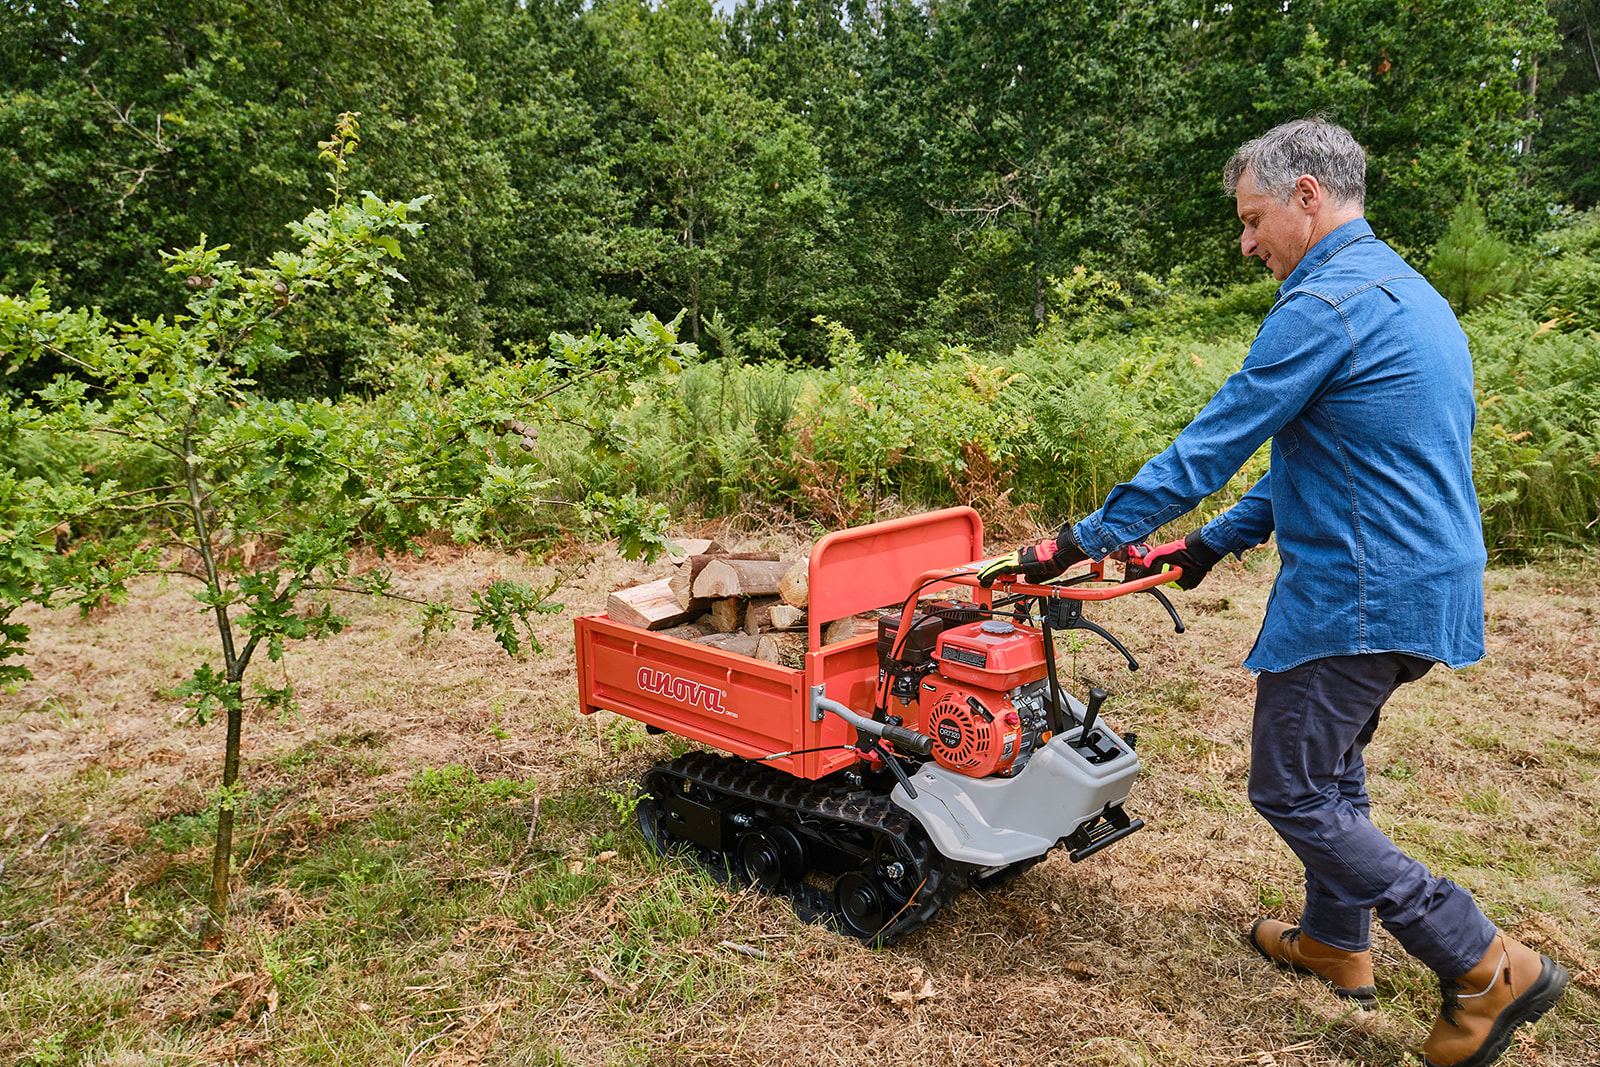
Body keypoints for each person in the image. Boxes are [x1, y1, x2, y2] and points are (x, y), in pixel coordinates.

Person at [978, 117, 1568, 1067]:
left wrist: (1078, 542)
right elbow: (1329, 458)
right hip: (1425, 576)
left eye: (1253, 219)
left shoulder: (1324, 304)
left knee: (1291, 785)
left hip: (1364, 588)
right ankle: (1337, 939)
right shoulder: (1408, 294)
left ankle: (1480, 959)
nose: (1246, 242)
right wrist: (1213, 544)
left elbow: (1213, 444)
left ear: (1306, 195)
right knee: (1330, 767)